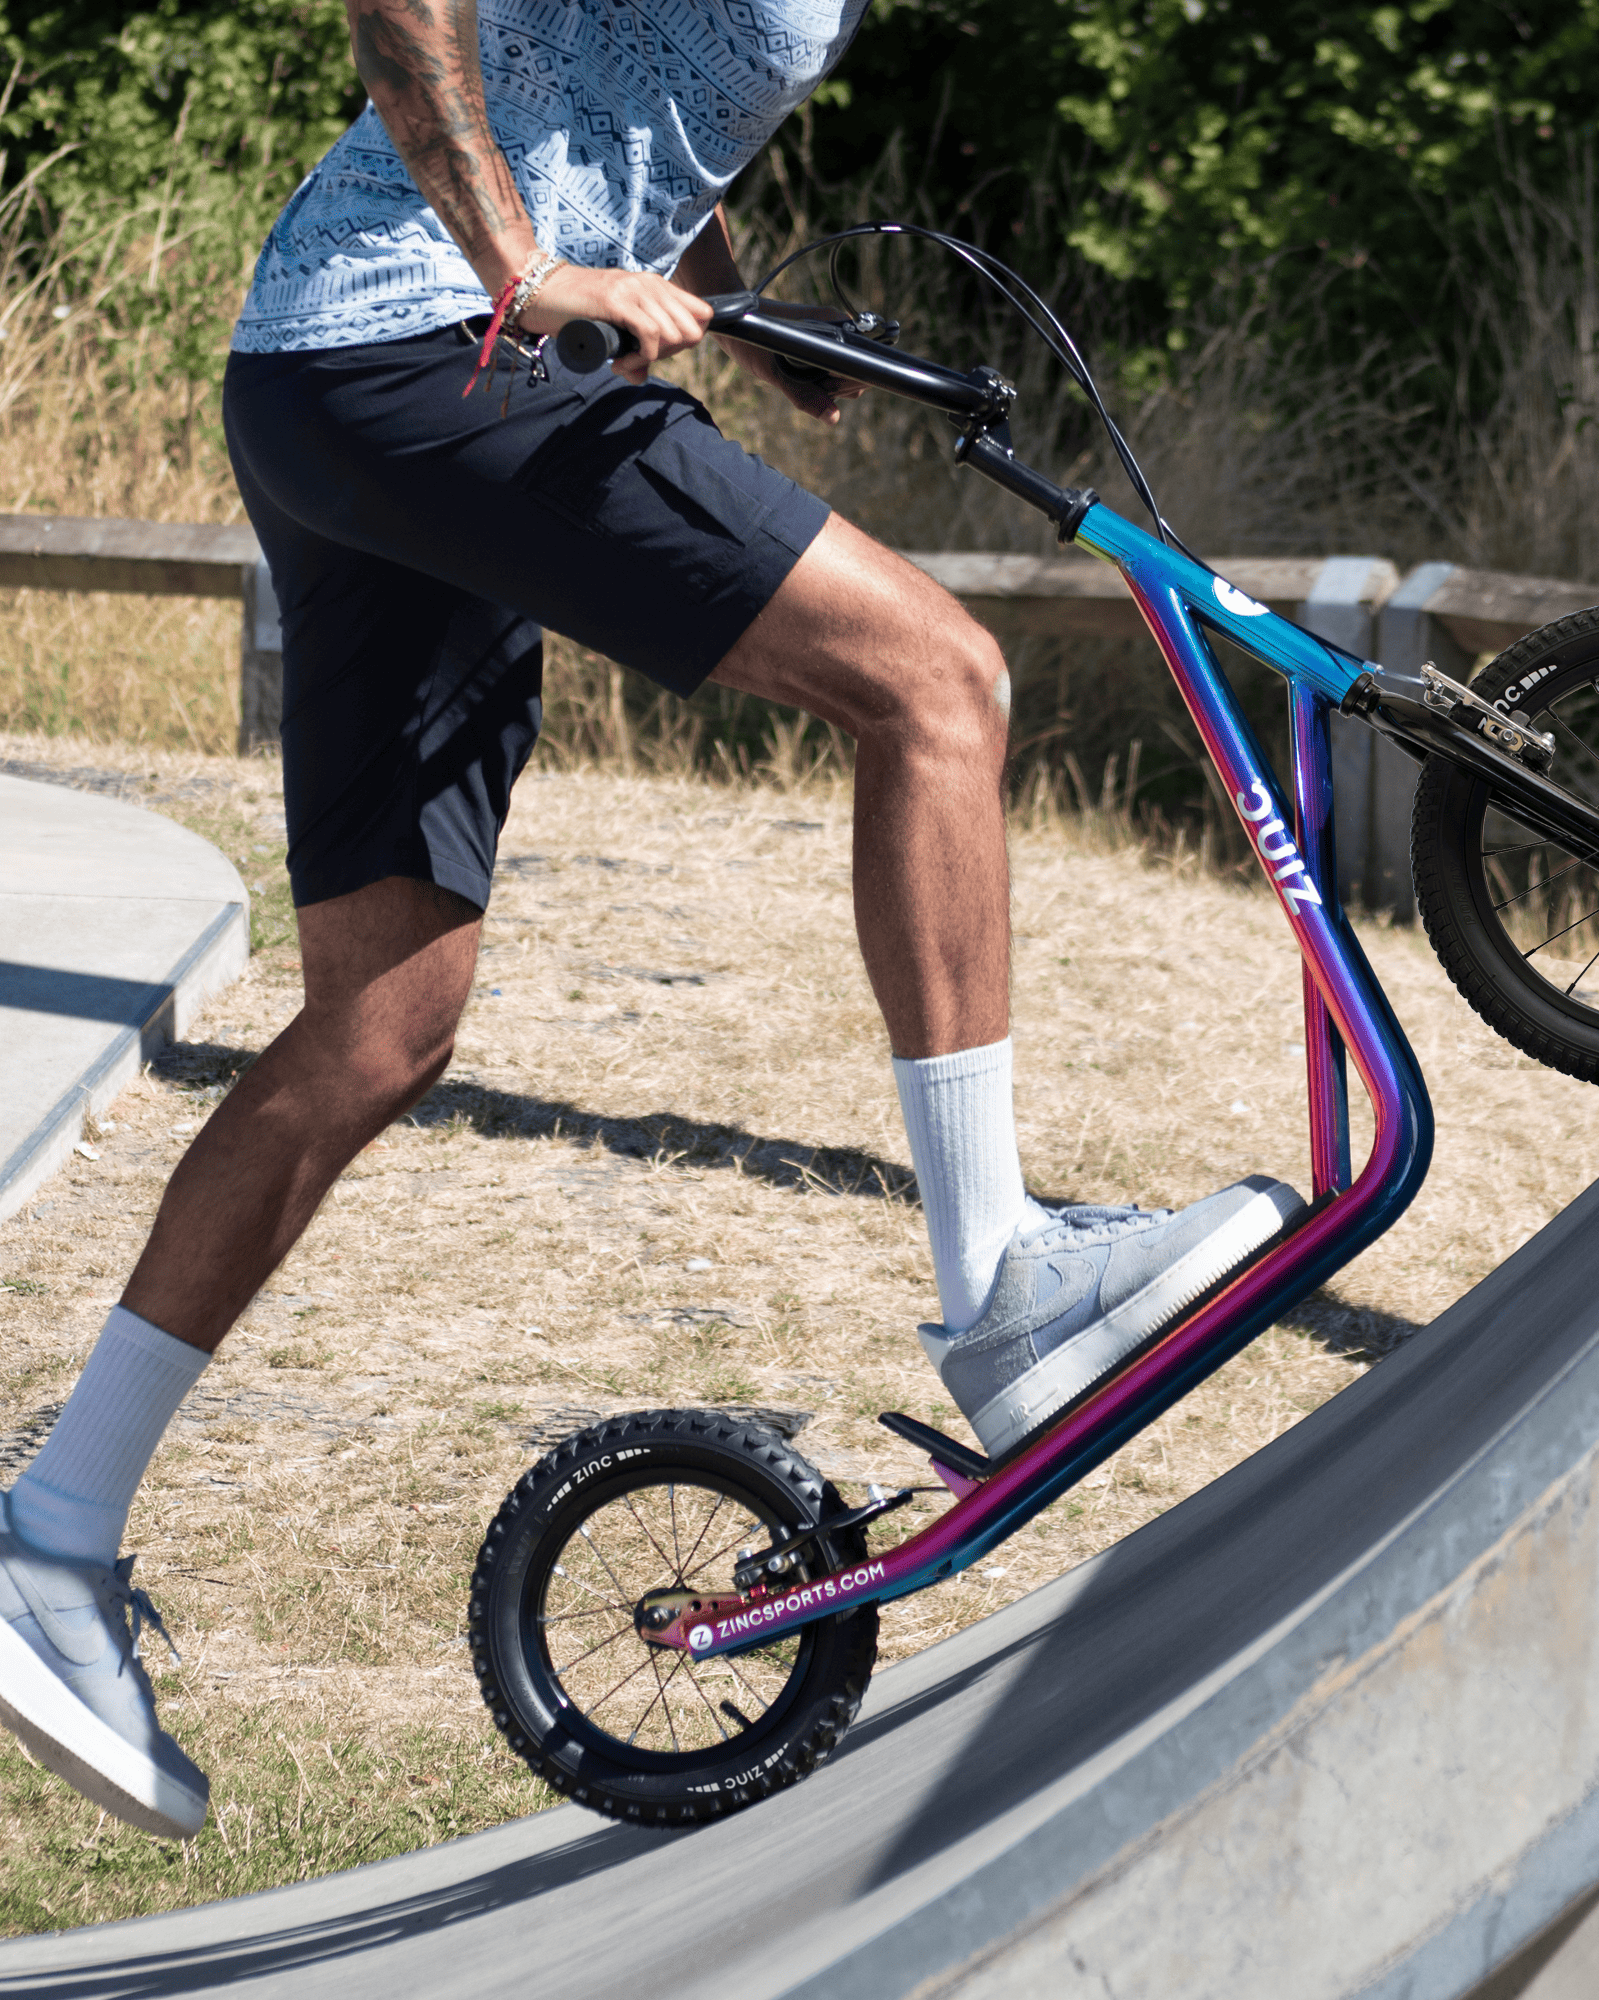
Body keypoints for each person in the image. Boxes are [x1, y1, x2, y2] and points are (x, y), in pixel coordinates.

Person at [0, 0, 1301, 1841]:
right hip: (431, 348)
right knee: (940, 688)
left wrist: (729, 298)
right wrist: (531, 270)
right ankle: (1002, 1280)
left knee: (383, 1025)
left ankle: (47, 1535)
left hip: (337, 381)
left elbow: (606, 85)